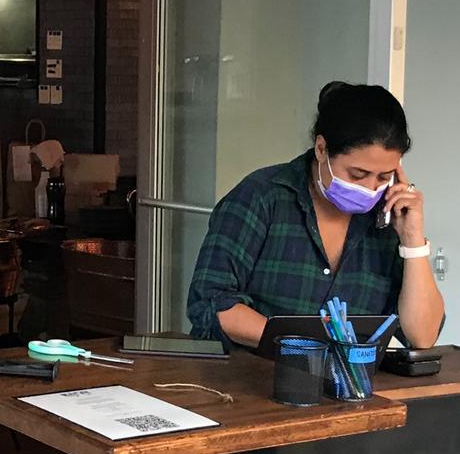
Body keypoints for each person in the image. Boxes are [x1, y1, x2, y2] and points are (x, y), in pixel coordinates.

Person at [186, 81, 445, 350]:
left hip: (346, 386)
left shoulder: (388, 217)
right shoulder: (262, 197)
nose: (370, 188)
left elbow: (422, 336)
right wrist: (304, 347)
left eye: (384, 176)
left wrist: (413, 242)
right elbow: (212, 304)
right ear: (321, 149)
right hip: (248, 379)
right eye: (357, 174)